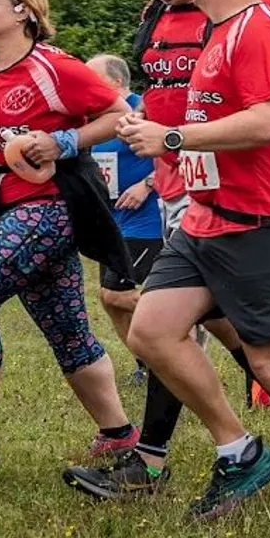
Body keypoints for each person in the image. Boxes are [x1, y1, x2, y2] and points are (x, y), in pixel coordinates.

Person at [65, 0, 270, 501]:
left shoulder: (256, 22)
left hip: (262, 209)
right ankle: (238, 450)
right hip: (198, 201)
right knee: (152, 328)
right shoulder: (189, 22)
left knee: (269, 358)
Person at [0, 0, 139, 473]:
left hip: (54, 205)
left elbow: (118, 111)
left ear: (23, 11)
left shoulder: (54, 67)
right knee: (66, 328)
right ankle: (119, 435)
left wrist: (65, 142)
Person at [85, 55, 160, 375]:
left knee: (117, 293)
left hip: (147, 220)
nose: (85, 85)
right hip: (112, 219)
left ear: (116, 82)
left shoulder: (145, 110)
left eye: (92, 78)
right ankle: (149, 365)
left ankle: (181, 329)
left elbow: (179, 151)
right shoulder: (94, 118)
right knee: (109, 299)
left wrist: (146, 185)